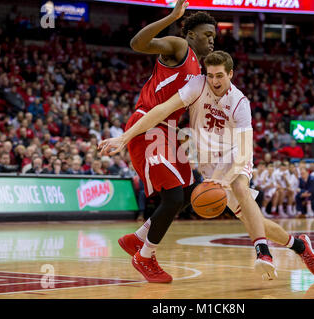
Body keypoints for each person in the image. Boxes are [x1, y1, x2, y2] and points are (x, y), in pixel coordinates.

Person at [99, 50, 314, 283]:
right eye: (211, 75)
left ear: (230, 74)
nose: (214, 81)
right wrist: (124, 137)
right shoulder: (197, 85)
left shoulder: (240, 103)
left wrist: (227, 178)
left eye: (220, 76)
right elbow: (162, 110)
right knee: (251, 219)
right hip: (208, 164)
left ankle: (263, 253)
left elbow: (245, 149)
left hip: (235, 155)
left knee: (239, 187)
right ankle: (299, 245)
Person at [99, 2, 217, 283]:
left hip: (170, 131)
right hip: (147, 127)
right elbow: (137, 43)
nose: (212, 39)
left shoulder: (201, 72)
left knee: (189, 193)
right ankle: (145, 257)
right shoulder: (178, 47)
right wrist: (172, 17)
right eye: (206, 34)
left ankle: (137, 239)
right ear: (190, 34)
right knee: (173, 196)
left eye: (214, 35)